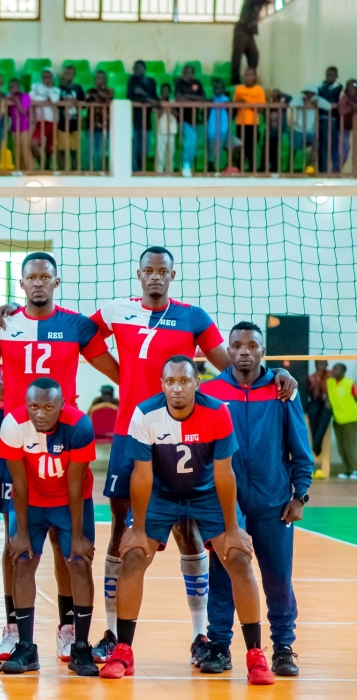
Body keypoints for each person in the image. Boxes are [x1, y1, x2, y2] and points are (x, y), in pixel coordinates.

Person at [87, 246, 294, 665]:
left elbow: (229, 371)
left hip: (186, 434)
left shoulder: (194, 316)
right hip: (135, 433)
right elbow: (81, 337)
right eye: (149, 270)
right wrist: (123, 376)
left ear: (173, 275)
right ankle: (112, 633)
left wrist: (276, 375)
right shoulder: (115, 310)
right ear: (139, 273)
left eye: (163, 271)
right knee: (124, 535)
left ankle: (200, 636)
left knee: (191, 533)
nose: (156, 277)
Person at [99, 355, 275, 686]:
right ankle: (124, 650)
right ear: (162, 384)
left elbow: (225, 475)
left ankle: (255, 655)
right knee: (133, 557)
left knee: (238, 559)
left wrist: (233, 529)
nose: (177, 388)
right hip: (161, 497)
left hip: (206, 494)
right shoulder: (145, 414)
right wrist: (137, 530)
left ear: (197, 383)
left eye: (184, 381)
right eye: (170, 382)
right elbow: (141, 476)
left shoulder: (217, 412)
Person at [0, 252, 119, 662]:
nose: (38, 282)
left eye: (45, 276)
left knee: (66, 545)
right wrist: (3, 398)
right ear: (21, 284)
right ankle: (13, 627)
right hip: (18, 440)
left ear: (56, 282)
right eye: (30, 277)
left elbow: (116, 370)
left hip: (65, 439)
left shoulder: (77, 325)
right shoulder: (4, 323)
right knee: (15, 543)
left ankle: (67, 627)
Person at [199, 322, 311, 677]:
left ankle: (282, 648)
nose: (244, 350)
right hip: (225, 506)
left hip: (274, 503)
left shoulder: (282, 392)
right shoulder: (212, 392)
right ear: (227, 351)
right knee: (222, 575)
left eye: (252, 345)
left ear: (263, 351)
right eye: (236, 345)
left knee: (278, 578)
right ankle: (218, 645)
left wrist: (300, 495)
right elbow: (202, 452)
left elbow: (300, 447)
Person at [0, 379, 100, 676]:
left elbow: (75, 484)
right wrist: (19, 533)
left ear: (62, 405)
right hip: (31, 502)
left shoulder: (79, 426)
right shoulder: (13, 424)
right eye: (34, 406)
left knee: (79, 563)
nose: (40, 413)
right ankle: (26, 647)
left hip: (70, 501)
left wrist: (79, 536)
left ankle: (80, 647)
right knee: (22, 560)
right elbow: (18, 483)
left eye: (48, 407)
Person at [126, 61, 159, 172]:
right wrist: (146, 99)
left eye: (138, 68)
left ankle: (142, 170)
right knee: (134, 148)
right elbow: (130, 96)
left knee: (144, 149)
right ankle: (134, 171)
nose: (136, 70)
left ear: (144, 69)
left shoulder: (151, 82)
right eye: (134, 68)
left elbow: (155, 99)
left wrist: (144, 96)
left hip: (147, 121)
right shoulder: (132, 80)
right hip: (134, 120)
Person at [174, 65, 206, 177]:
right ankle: (186, 166)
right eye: (185, 72)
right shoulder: (179, 83)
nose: (187, 74)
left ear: (193, 73)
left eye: (189, 72)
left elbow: (202, 98)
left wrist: (187, 97)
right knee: (190, 140)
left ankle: (190, 166)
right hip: (183, 119)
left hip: (195, 119)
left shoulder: (197, 83)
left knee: (192, 142)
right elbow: (179, 98)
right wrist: (193, 98)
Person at [233, 68, 266, 172]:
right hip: (240, 123)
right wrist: (241, 103)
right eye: (246, 74)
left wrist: (246, 103)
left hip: (253, 124)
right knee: (240, 148)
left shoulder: (259, 90)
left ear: (255, 76)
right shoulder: (239, 89)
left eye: (250, 75)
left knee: (251, 149)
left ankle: (252, 170)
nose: (247, 77)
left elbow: (261, 109)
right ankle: (239, 170)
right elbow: (234, 104)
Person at [327, 363, 357, 478]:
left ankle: (354, 470)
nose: (333, 370)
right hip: (337, 419)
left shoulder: (349, 383)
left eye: (336, 369)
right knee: (341, 446)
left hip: (351, 418)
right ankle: (347, 470)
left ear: (343, 371)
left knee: (350, 445)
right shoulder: (330, 382)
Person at [232, 0, 271, 85]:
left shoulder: (259, 3)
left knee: (254, 56)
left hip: (250, 32)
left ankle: (251, 79)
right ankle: (234, 81)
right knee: (237, 57)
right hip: (241, 29)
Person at [54, 66, 84, 171]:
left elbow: (84, 104)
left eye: (70, 73)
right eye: (66, 73)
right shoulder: (59, 89)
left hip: (74, 123)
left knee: (74, 150)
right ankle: (62, 169)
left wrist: (77, 103)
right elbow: (55, 103)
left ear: (74, 75)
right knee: (61, 149)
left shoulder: (78, 88)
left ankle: (74, 169)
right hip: (62, 123)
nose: (68, 75)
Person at [206, 77, 238, 171]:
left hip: (225, 131)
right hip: (212, 132)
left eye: (220, 87)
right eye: (215, 87)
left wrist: (229, 106)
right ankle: (211, 173)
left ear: (224, 89)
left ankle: (228, 167)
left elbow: (233, 115)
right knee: (212, 157)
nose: (217, 88)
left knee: (237, 146)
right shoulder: (210, 100)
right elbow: (203, 115)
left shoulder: (228, 101)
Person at [29, 70, 59, 170]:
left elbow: (54, 101)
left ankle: (46, 167)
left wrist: (40, 101)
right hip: (40, 121)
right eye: (44, 77)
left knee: (49, 148)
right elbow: (30, 99)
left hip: (53, 121)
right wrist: (45, 101)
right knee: (34, 144)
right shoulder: (36, 87)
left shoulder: (56, 90)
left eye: (48, 77)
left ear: (52, 78)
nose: (46, 80)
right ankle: (41, 163)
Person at [84, 70, 113, 171]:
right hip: (90, 125)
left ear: (105, 80)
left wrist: (98, 92)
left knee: (101, 152)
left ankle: (100, 171)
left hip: (104, 126)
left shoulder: (109, 91)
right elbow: (86, 100)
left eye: (101, 78)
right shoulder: (90, 91)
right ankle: (89, 171)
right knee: (90, 151)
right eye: (96, 78)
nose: (98, 80)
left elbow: (107, 98)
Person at [317, 67, 343, 172]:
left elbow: (338, 104)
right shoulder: (321, 87)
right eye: (327, 75)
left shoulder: (340, 88)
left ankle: (333, 170)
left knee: (331, 146)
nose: (328, 77)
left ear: (336, 76)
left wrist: (327, 104)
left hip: (332, 120)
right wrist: (328, 104)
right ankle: (322, 170)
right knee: (321, 146)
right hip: (321, 119)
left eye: (331, 75)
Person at [305, 360, 332, 456]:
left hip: (328, 401)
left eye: (322, 363)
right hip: (315, 401)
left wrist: (328, 398)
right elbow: (308, 392)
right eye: (317, 363)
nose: (319, 365)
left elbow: (334, 388)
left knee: (326, 415)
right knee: (312, 413)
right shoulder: (311, 377)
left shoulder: (331, 375)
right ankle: (316, 443)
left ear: (326, 364)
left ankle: (316, 443)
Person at [154, 83, 179, 174]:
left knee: (171, 153)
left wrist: (169, 106)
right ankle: (159, 172)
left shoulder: (173, 101)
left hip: (172, 130)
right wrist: (163, 106)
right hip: (161, 130)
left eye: (167, 91)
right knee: (160, 154)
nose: (165, 92)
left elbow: (176, 114)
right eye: (163, 91)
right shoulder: (157, 102)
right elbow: (157, 114)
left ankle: (170, 172)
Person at [6, 78, 31, 169]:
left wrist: (16, 101)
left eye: (14, 86)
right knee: (17, 150)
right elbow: (7, 113)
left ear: (19, 87)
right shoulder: (8, 98)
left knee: (25, 149)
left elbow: (24, 111)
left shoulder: (25, 96)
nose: (12, 89)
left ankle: (29, 171)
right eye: (10, 87)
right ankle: (18, 170)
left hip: (25, 127)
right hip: (14, 127)